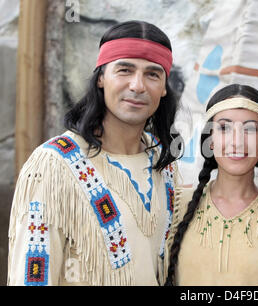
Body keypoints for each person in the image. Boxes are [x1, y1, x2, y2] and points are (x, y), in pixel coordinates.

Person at [8, 20, 182, 286]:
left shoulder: (164, 163)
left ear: (164, 87)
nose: (137, 86)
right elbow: (31, 277)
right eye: (124, 70)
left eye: (153, 74)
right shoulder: (54, 164)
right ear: (101, 77)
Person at [164, 84, 258, 285]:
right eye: (224, 128)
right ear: (210, 140)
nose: (237, 142)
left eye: (250, 129)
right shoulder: (176, 204)